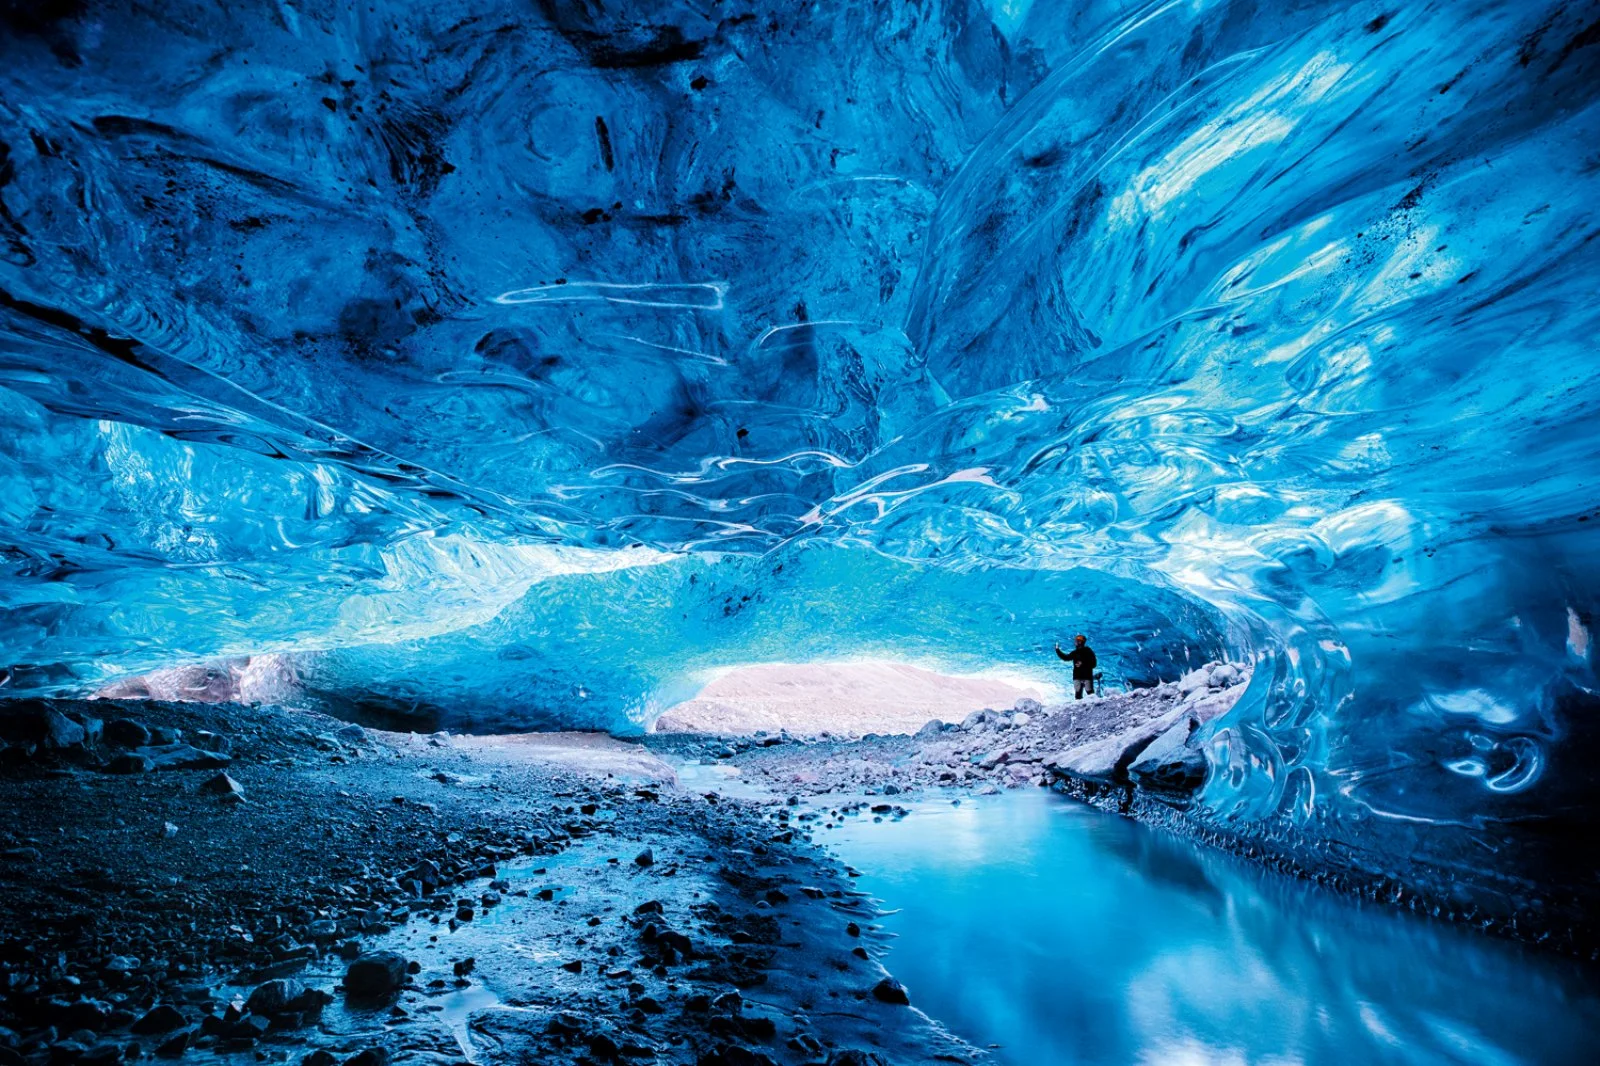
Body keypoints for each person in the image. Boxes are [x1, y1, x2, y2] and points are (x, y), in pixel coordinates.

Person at [1055, 634, 1098, 699]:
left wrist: (1083, 663)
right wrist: (1057, 650)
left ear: (1080, 642)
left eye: (1077, 641)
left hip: (1087, 676)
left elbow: (1094, 664)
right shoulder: (1075, 652)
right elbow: (1066, 658)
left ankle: (1096, 706)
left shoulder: (1088, 651)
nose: (1075, 642)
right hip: (1077, 677)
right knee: (1078, 695)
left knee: (1090, 693)